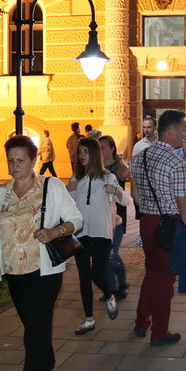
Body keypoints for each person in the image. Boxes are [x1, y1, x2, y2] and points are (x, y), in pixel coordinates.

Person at [0, 135, 82, 371]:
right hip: (14, 272)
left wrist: (54, 232)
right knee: (34, 324)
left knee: (34, 329)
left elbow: (76, 219)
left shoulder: (51, 186)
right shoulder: (1, 193)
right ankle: (46, 359)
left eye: (21, 160)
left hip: (44, 272)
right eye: (11, 160)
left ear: (34, 160)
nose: (15, 166)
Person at [129, 109, 186, 346]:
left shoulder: (139, 157)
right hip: (168, 226)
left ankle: (141, 322)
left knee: (152, 273)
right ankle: (159, 332)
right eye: (183, 129)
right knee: (164, 281)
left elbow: (136, 197)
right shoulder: (175, 163)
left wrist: (151, 207)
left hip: (147, 222)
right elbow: (184, 204)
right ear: (171, 131)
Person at [67, 137, 131, 334]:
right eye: (80, 152)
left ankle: (109, 295)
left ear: (94, 154)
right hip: (80, 234)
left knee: (98, 274)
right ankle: (88, 319)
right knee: (84, 277)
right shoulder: (76, 178)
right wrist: (67, 190)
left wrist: (116, 191)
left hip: (102, 234)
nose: (82, 156)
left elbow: (126, 201)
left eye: (86, 151)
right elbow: (65, 204)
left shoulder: (107, 177)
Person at [99, 135, 131, 301]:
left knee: (111, 254)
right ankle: (111, 288)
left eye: (103, 147)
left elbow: (125, 174)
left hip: (116, 217)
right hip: (100, 217)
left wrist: (120, 160)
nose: (100, 151)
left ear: (112, 148)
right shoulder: (96, 167)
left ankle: (122, 283)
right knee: (105, 255)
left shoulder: (116, 166)